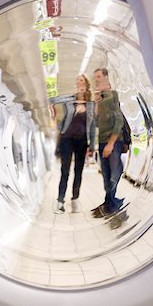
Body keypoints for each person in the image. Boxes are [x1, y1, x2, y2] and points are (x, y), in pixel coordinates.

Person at [51, 74, 95, 213]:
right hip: (67, 138)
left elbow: (92, 126)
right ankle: (60, 200)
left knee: (79, 171)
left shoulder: (91, 104)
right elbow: (53, 99)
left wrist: (92, 145)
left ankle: (75, 199)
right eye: (77, 81)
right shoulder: (70, 100)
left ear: (86, 84)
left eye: (81, 80)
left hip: (82, 141)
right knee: (65, 170)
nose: (78, 83)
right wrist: (49, 102)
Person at [92, 68, 124, 217]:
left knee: (114, 172)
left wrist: (111, 143)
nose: (97, 79)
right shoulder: (100, 99)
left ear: (106, 77)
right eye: (95, 77)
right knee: (106, 174)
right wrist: (96, 105)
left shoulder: (113, 95)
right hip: (102, 141)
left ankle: (111, 204)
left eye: (99, 76)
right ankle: (109, 202)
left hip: (113, 141)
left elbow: (119, 120)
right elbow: (97, 123)